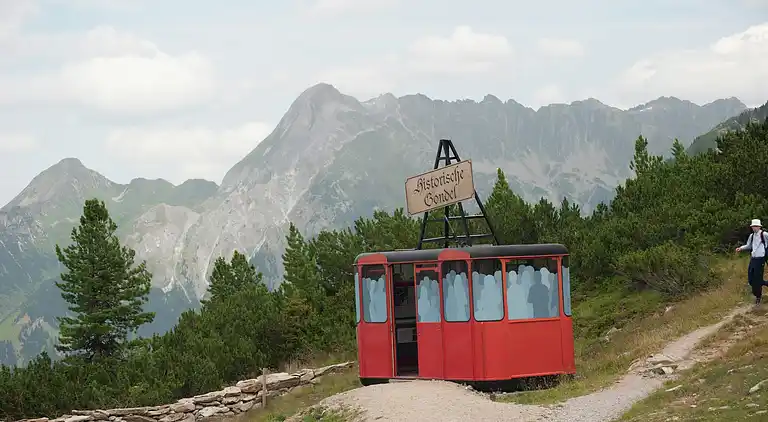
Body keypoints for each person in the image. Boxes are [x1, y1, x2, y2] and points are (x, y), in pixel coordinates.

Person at [736, 219, 768, 305]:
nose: (754, 228)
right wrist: (741, 248)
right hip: (753, 259)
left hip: (761, 259)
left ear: (759, 226)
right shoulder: (752, 236)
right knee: (751, 278)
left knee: (757, 279)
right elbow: (749, 245)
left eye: (756, 226)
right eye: (753, 226)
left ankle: (758, 297)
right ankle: (765, 284)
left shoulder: (764, 234)